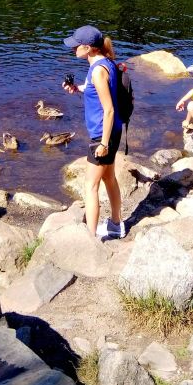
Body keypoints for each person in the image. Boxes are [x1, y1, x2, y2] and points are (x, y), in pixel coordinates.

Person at [62, 24, 126, 239]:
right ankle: (116, 225)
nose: (73, 49)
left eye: (76, 46)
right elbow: (96, 91)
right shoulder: (105, 63)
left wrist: (103, 144)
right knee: (109, 179)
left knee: (90, 186)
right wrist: (78, 88)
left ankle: (89, 238)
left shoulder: (98, 70)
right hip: (113, 130)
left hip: (102, 134)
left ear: (88, 48)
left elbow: (108, 109)